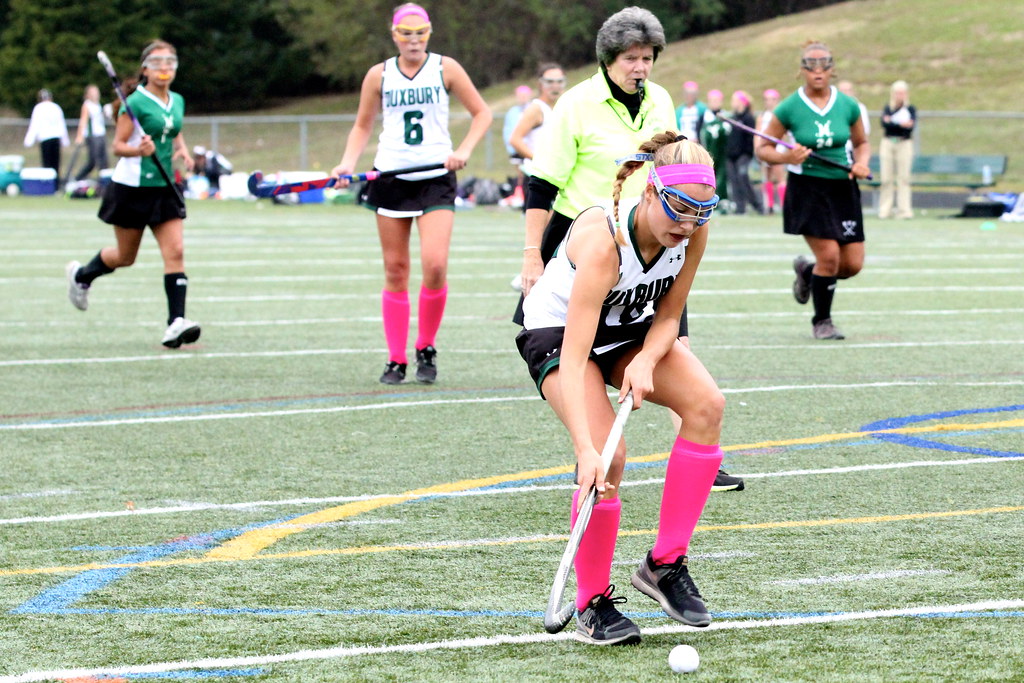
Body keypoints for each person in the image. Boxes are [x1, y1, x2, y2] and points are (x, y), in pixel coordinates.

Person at [517, 6, 743, 493]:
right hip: (591, 242)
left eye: (647, 58)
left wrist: (679, 215)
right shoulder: (576, 104)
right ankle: (594, 450)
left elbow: (678, 166)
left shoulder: (660, 100)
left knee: (677, 347)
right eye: (630, 59)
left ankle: (696, 444)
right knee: (582, 363)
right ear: (608, 59)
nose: (640, 67)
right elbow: (542, 184)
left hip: (662, 236)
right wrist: (532, 252)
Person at [517, 132, 724, 645]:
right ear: (650, 191)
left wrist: (647, 361)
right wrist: (584, 448)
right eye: (678, 209)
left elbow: (669, 315)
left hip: (629, 327)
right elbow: (575, 354)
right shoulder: (604, 243)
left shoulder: (692, 231)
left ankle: (665, 564)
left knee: (707, 405)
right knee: (608, 458)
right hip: (560, 333)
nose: (687, 224)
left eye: (701, 213)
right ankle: (592, 603)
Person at [330, 3, 492, 385]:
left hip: (436, 178)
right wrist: (346, 163)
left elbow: (482, 113)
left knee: (435, 265)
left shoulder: (446, 68)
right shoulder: (379, 74)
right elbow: (362, 125)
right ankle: (396, 358)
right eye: (406, 33)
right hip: (391, 177)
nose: (414, 40)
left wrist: (463, 150)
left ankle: (426, 345)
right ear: (394, 35)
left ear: (429, 34)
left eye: (421, 33)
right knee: (395, 269)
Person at [65, 40, 200, 348]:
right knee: (125, 257)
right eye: (157, 62)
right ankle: (82, 276)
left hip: (164, 186)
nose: (164, 68)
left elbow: (173, 126)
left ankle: (176, 322)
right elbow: (118, 146)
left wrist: (182, 149)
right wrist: (138, 150)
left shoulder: (177, 100)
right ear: (145, 69)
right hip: (132, 189)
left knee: (176, 252)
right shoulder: (134, 103)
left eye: (170, 62)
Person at [755, 40, 871, 341]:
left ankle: (808, 272)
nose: (818, 71)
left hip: (843, 188)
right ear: (802, 70)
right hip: (807, 189)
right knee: (829, 257)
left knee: (852, 265)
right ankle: (822, 322)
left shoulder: (848, 105)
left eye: (824, 65)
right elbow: (763, 148)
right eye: (811, 66)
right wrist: (787, 157)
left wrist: (861, 163)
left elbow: (862, 143)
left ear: (832, 70)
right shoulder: (789, 107)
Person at [508, 63, 566, 209]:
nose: (555, 86)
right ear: (540, 84)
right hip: (538, 177)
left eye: (559, 81)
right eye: (550, 82)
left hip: (557, 175)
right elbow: (515, 139)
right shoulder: (536, 109)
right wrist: (538, 159)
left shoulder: (564, 107)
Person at [879, 80, 916, 219]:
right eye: (897, 93)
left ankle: (904, 210)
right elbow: (885, 124)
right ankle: (885, 210)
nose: (900, 95)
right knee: (886, 178)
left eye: (902, 93)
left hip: (904, 143)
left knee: (904, 178)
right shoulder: (888, 108)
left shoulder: (910, 109)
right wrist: (900, 124)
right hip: (888, 142)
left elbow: (910, 126)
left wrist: (893, 122)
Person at [725, 90, 763, 215]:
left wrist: (747, 152)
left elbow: (750, 138)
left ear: (741, 102)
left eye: (734, 100)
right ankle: (740, 207)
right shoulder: (733, 118)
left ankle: (757, 204)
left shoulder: (748, 118)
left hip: (743, 155)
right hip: (732, 156)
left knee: (743, 178)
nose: (732, 103)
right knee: (734, 181)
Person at [23, 89, 69, 183]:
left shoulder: (38, 108)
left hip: (45, 138)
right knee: (56, 163)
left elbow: (34, 125)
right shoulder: (56, 107)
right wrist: (65, 140)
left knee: (47, 164)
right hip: (55, 138)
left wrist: (28, 141)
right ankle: (56, 183)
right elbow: (61, 125)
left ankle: (48, 184)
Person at [699, 89, 729, 209]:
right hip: (708, 153)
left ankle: (723, 200)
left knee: (722, 177)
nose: (714, 103)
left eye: (716, 100)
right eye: (712, 101)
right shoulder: (704, 117)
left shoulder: (726, 117)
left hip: (723, 154)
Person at [758, 88, 786, 213]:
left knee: (780, 177)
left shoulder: (780, 114)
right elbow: (759, 132)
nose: (769, 102)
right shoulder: (763, 115)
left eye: (772, 99)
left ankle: (784, 205)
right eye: (767, 99)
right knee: (767, 177)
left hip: (777, 148)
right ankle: (769, 205)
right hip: (765, 148)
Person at [73, 84, 108, 181]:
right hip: (93, 136)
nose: (96, 94)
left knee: (104, 161)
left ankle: (105, 182)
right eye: (93, 92)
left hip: (101, 134)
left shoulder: (97, 104)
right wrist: (79, 135)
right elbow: (83, 121)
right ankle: (78, 178)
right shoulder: (87, 105)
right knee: (93, 161)